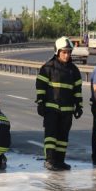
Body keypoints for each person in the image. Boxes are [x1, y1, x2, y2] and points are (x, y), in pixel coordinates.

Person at [36, 36, 84, 171]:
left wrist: (79, 105)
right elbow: (40, 87)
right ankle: (50, 161)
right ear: (57, 51)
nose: (67, 55)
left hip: (67, 109)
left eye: (69, 52)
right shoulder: (48, 67)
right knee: (51, 136)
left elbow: (77, 90)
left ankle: (60, 161)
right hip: (51, 108)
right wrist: (40, 102)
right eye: (64, 52)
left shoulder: (74, 70)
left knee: (63, 137)